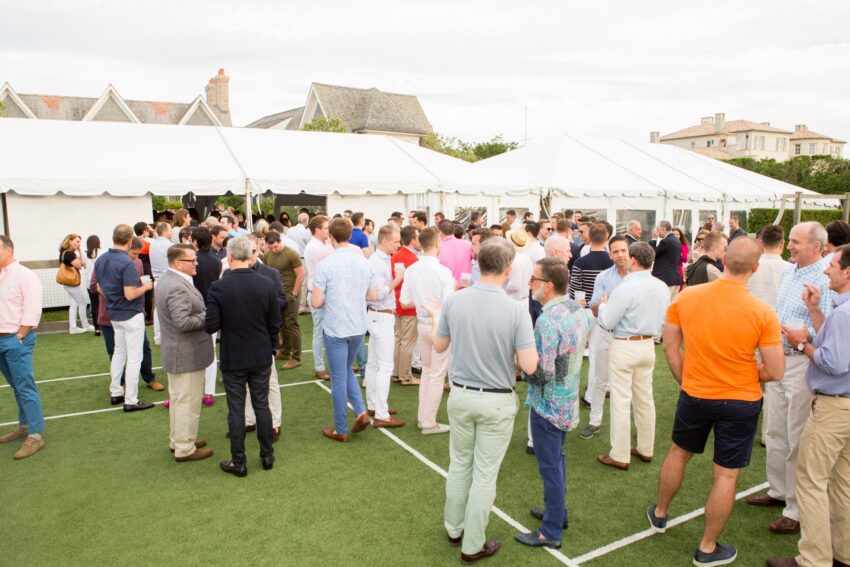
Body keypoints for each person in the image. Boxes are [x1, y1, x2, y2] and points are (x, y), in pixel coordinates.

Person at [649, 237, 784, 567]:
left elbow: (670, 347)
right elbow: (776, 369)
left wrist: (688, 381)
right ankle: (707, 548)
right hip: (741, 400)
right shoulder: (762, 312)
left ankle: (661, 512)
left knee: (679, 453)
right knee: (725, 475)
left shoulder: (687, 296)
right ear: (755, 268)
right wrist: (748, 374)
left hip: (696, 394)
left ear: (723, 258)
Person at [424, 238, 538, 563]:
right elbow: (529, 365)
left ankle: (454, 528)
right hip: (496, 401)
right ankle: (472, 544)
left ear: (477, 263)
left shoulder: (455, 302)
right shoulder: (516, 310)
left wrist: (434, 316)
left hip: (461, 396)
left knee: (460, 465)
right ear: (508, 269)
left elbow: (439, 345)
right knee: (484, 474)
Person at [746, 222, 835, 535]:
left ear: (817, 246)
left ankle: (796, 509)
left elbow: (824, 330)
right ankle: (778, 491)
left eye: (796, 242)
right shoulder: (790, 272)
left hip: (801, 361)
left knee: (796, 434)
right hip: (779, 358)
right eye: (791, 241)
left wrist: (795, 335)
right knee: (774, 429)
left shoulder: (825, 277)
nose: (790, 246)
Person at [768, 244, 850, 567]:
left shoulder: (844, 313)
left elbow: (833, 361)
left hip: (834, 407)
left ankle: (813, 560)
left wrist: (801, 342)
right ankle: (843, 553)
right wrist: (816, 311)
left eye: (833, 265)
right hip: (843, 406)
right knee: (842, 482)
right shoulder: (841, 309)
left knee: (812, 481)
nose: (826, 270)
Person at [515, 258, 591, 549]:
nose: (530, 284)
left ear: (547, 286)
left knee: (550, 466)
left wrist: (522, 369)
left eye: (534, 279)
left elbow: (542, 372)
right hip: (568, 398)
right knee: (556, 462)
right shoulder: (577, 310)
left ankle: (550, 531)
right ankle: (557, 514)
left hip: (548, 405)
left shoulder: (547, 320)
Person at [205, 236, 280, 477]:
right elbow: (274, 323)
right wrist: (268, 348)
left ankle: (239, 461)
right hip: (260, 355)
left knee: (236, 409)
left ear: (229, 257)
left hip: (233, 356)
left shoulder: (218, 287)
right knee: (262, 406)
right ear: (250, 255)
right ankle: (267, 455)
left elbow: (211, 326)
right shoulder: (266, 284)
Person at [596, 242, 670, 470]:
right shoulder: (662, 286)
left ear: (634, 260)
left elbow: (607, 321)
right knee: (645, 398)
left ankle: (619, 454)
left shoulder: (626, 287)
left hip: (625, 345)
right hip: (648, 345)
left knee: (621, 400)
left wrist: (603, 306)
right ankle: (646, 449)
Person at [312, 218, 377, 443]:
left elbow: (316, 301)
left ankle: (341, 428)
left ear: (331, 237)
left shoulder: (326, 264)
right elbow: (373, 296)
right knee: (346, 369)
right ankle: (360, 411)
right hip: (358, 326)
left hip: (336, 328)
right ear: (351, 235)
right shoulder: (365, 262)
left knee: (339, 376)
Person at [156, 244, 215, 463]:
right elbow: (182, 321)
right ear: (178, 263)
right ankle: (184, 447)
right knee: (187, 402)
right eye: (193, 260)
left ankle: (180, 439)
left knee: (181, 399)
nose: (197, 263)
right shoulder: (176, 286)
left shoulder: (169, 281)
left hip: (179, 351)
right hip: (186, 353)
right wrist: (207, 317)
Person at [93, 224, 155, 412]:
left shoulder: (101, 259)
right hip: (130, 313)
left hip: (113, 313)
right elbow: (130, 294)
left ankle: (116, 392)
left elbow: (98, 288)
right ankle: (131, 399)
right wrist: (146, 287)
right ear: (130, 240)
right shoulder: (126, 262)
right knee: (135, 356)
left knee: (119, 353)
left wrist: (112, 298)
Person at [400, 227, 455, 434]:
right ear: (437, 243)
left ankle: (423, 417)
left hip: (422, 322)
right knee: (436, 374)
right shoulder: (442, 272)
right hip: (437, 325)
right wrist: (433, 304)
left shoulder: (413, 269)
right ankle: (428, 421)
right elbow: (449, 304)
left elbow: (405, 301)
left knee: (428, 371)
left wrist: (423, 303)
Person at [0, 236, 46, 460]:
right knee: (16, 386)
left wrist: (20, 335)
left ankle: (35, 435)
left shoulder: (25, 276)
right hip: (3, 339)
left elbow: (32, 309)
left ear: (8, 250)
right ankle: (24, 425)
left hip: (15, 339)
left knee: (25, 386)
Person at [580, 235, 630, 440]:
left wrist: (608, 305)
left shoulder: (638, 277)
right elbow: (593, 308)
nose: (620, 255)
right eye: (616, 251)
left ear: (630, 252)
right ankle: (594, 422)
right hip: (605, 333)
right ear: (610, 254)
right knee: (600, 379)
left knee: (625, 384)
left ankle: (624, 427)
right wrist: (605, 306)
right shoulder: (603, 277)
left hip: (628, 337)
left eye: (623, 251)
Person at [363, 225, 406, 428]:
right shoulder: (377, 262)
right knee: (385, 366)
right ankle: (380, 413)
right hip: (381, 316)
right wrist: (398, 279)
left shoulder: (381, 259)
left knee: (374, 363)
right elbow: (376, 294)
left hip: (377, 315)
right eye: (397, 241)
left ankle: (374, 405)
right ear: (386, 240)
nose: (399, 244)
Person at [264, 231, 304, 371]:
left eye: (276, 246)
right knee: (281, 323)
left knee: (291, 323)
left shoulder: (292, 254)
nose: (274, 249)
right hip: (277, 294)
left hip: (291, 292)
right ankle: (286, 351)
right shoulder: (267, 254)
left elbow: (300, 274)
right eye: (271, 247)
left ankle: (296, 357)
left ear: (280, 241)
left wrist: (294, 293)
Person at [191, 226, 222, 406]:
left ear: (194, 242)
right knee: (210, 352)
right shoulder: (216, 261)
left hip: (195, 309)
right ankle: (209, 392)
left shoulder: (192, 261)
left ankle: (197, 389)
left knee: (194, 353)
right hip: (210, 308)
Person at [391, 226, 420, 385]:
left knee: (399, 339)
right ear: (412, 239)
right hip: (408, 305)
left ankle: (397, 372)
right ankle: (405, 375)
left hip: (396, 302)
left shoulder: (395, 256)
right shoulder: (413, 259)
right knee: (407, 341)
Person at [304, 215, 331, 380]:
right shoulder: (315, 248)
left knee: (328, 332)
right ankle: (319, 367)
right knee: (320, 332)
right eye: (326, 228)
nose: (329, 231)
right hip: (317, 293)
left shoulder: (320, 245)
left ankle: (328, 364)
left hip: (320, 293)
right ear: (317, 230)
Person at [748, 225, 791, 308]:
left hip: (752, 317)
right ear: (782, 244)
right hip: (778, 319)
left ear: (761, 243)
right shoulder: (791, 269)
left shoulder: (747, 267)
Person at [58, 233, 93, 334]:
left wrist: (78, 250)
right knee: (82, 303)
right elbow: (80, 265)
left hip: (67, 282)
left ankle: (73, 327)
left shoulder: (64, 252)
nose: (79, 244)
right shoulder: (69, 253)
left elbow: (81, 263)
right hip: (72, 282)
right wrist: (80, 250)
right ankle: (85, 325)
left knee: (73, 304)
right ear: (70, 241)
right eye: (77, 241)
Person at [148, 222, 173, 345]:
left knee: (158, 309)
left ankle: (158, 337)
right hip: (168, 280)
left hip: (157, 280)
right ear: (165, 231)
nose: (172, 231)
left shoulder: (153, 243)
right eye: (170, 229)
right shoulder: (169, 245)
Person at [650, 220, 682, 299]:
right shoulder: (676, 240)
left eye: (658, 229)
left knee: (663, 307)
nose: (657, 231)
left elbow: (652, 254)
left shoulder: (666, 241)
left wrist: (654, 239)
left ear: (664, 229)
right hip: (675, 278)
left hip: (665, 279)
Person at [437, 219, 473, 285]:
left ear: (439, 232)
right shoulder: (468, 244)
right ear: (453, 230)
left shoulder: (437, 247)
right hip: (465, 287)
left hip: (446, 288)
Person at [504, 230, 535, 302]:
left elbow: (514, 285)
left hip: (513, 300)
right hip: (524, 299)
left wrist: (503, 290)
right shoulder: (526, 257)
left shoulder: (514, 260)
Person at [84, 235, 102, 336]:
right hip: (101, 281)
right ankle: (106, 324)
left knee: (94, 305)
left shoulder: (86, 255)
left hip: (89, 283)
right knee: (104, 303)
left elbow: (82, 264)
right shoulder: (102, 252)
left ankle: (97, 328)